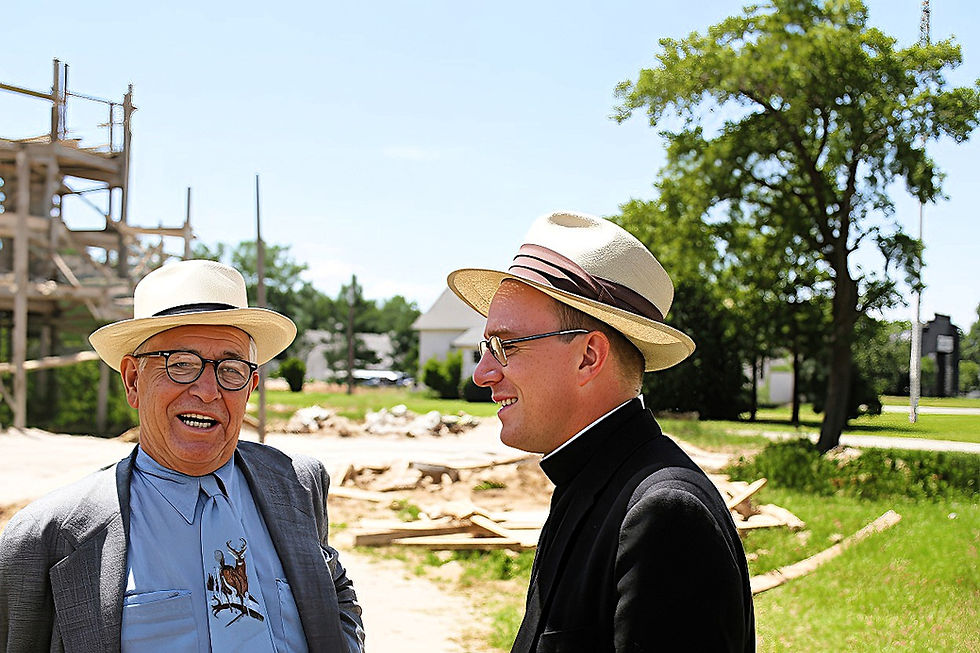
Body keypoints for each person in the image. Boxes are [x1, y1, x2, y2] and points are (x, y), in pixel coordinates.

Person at [0, 259, 364, 653]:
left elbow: (334, 592)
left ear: (251, 385)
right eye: (182, 364)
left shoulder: (298, 484)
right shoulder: (46, 537)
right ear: (133, 380)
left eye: (231, 369)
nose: (208, 391)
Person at [448, 211, 755, 652]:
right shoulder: (593, 483)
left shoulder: (664, 517)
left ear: (589, 356)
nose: (482, 374)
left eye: (505, 346)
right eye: (486, 348)